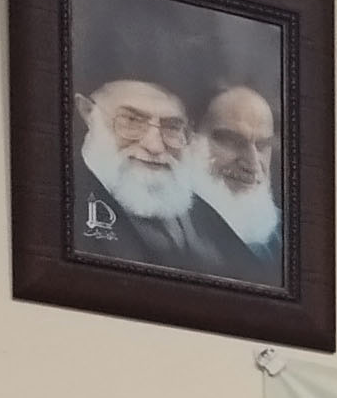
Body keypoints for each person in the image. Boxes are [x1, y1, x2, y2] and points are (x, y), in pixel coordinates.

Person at [68, 68, 230, 272]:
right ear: (88, 113)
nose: (155, 146)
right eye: (132, 121)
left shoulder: (205, 219)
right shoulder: (63, 206)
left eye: (172, 127)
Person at [191, 77, 283, 278]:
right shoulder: (163, 227)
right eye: (232, 141)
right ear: (191, 138)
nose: (252, 164)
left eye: (262, 146)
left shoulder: (287, 236)